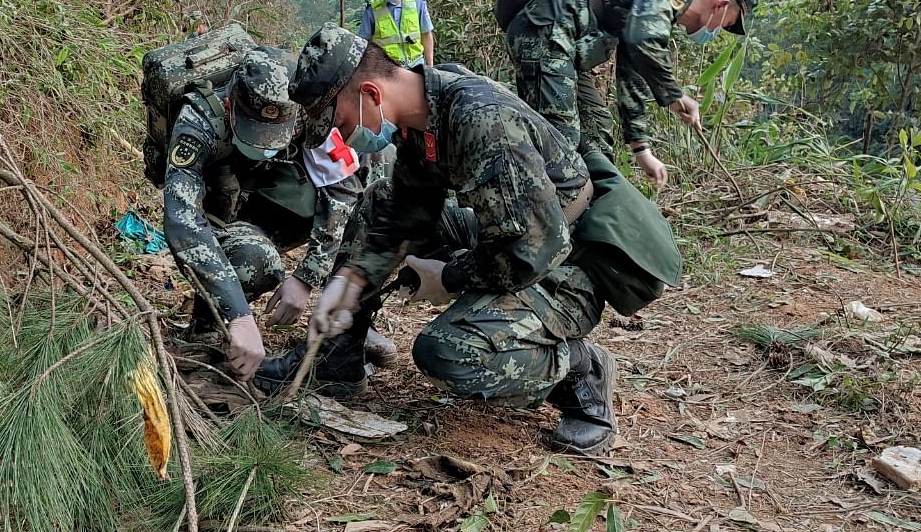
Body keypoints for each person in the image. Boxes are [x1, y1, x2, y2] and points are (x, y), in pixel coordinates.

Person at [264, 27, 682, 454]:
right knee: (380, 201)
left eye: (340, 122)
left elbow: (531, 250)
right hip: (509, 234)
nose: (342, 134)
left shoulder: (480, 120)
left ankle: (580, 370)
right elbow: (407, 212)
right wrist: (352, 281)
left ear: (371, 93)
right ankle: (337, 358)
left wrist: (448, 276)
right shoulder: (422, 113)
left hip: (569, 264)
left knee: (448, 352)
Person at [161, 45, 394, 381]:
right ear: (230, 108)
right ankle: (209, 323)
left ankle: (342, 332)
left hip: (273, 202)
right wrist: (238, 314)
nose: (266, 144)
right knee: (254, 259)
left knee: (374, 191)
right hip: (224, 215)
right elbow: (183, 222)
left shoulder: (306, 109)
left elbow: (341, 191)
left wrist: (306, 278)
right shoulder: (198, 122)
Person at [503, 0, 759, 186]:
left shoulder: (657, 10)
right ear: (721, 5)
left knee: (596, 128)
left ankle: (597, 214)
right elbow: (642, 41)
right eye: (727, 24)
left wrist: (642, 150)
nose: (718, 30)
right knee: (560, 141)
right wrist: (674, 96)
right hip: (545, 31)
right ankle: (534, 220)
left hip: (561, 43)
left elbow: (632, 70)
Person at [359, 0, 435, 68]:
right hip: (387, 69)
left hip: (416, 65)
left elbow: (426, 35)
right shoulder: (372, 9)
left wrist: (430, 66)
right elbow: (364, 42)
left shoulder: (417, 3)